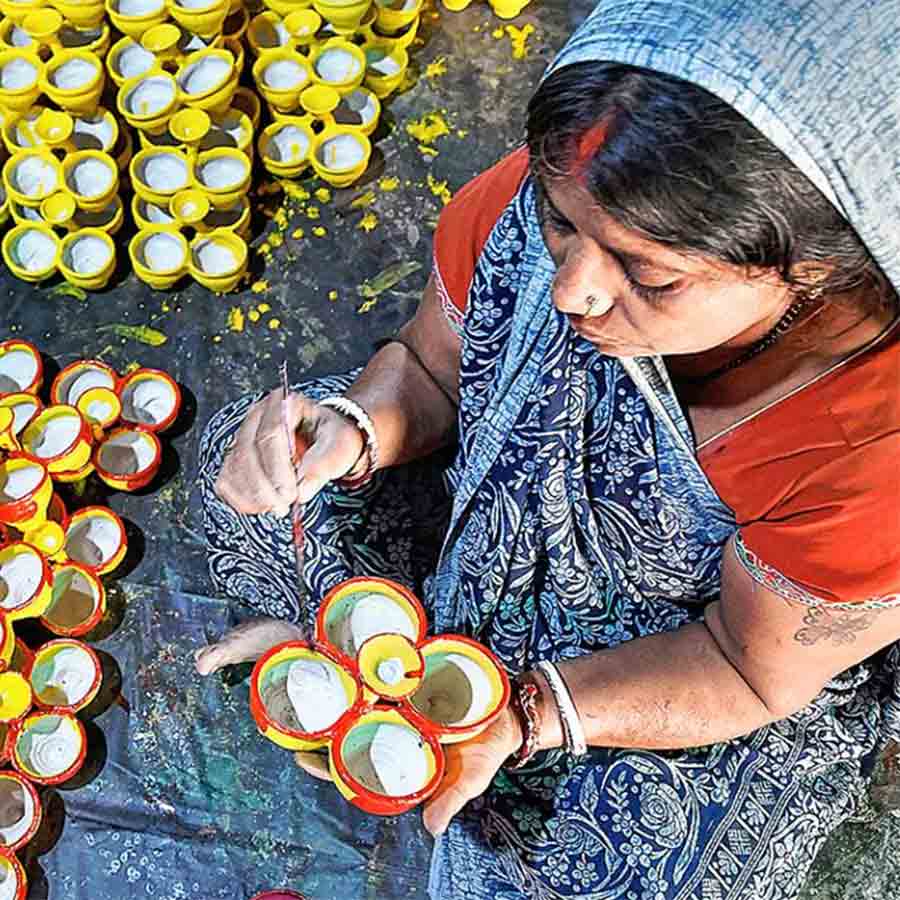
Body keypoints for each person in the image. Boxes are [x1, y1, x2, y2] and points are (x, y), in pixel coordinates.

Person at [195, 0, 900, 897]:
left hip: (696, 642)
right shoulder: (572, 187)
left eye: (649, 274)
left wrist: (522, 714)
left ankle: (402, 664)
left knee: (613, 870)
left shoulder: (872, 448)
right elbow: (428, 366)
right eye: (560, 225)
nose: (568, 289)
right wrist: (359, 429)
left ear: (813, 270)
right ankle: (368, 653)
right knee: (257, 474)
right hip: (504, 526)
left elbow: (740, 663)